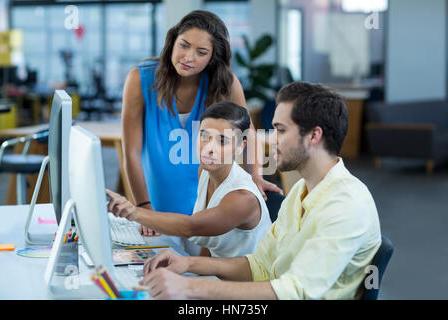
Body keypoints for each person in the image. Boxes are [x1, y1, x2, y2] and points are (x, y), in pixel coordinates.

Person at [137, 81, 382, 300]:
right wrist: (187, 263)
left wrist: (191, 287)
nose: (271, 139)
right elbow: (260, 265)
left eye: (281, 130)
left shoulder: (347, 204)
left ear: (313, 136)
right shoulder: (300, 191)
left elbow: (296, 291)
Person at [121, 10, 282, 242]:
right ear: (172, 42)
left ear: (212, 57)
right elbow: (131, 153)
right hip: (157, 209)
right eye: (184, 45)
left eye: (201, 52)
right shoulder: (140, 80)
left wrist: (255, 175)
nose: (188, 57)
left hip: (210, 210)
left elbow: (249, 132)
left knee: (203, 269)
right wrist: (144, 208)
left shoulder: (226, 83)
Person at [107, 102, 272, 258]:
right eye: (204, 136)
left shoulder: (242, 198)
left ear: (240, 147)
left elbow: (191, 227)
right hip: (218, 275)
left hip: (247, 284)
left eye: (222, 141)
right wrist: (198, 275)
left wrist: (134, 212)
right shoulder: (205, 172)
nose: (209, 149)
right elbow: (210, 239)